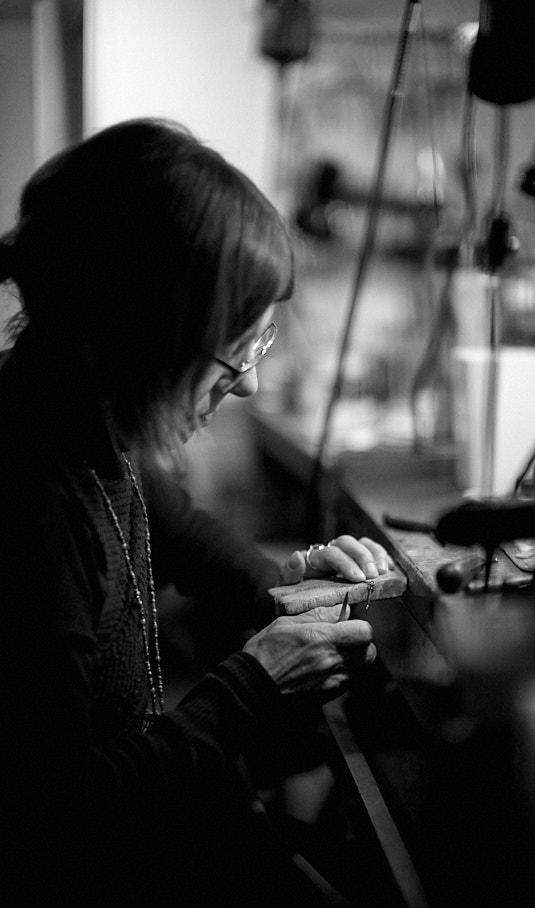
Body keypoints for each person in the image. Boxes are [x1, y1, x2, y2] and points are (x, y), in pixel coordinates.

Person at [0, 118, 393, 906]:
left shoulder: (85, 418)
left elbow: (188, 535)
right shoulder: (27, 497)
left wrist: (288, 589)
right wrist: (252, 685)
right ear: (139, 334)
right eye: (231, 353)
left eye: (260, 345)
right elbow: (57, 820)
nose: (246, 384)